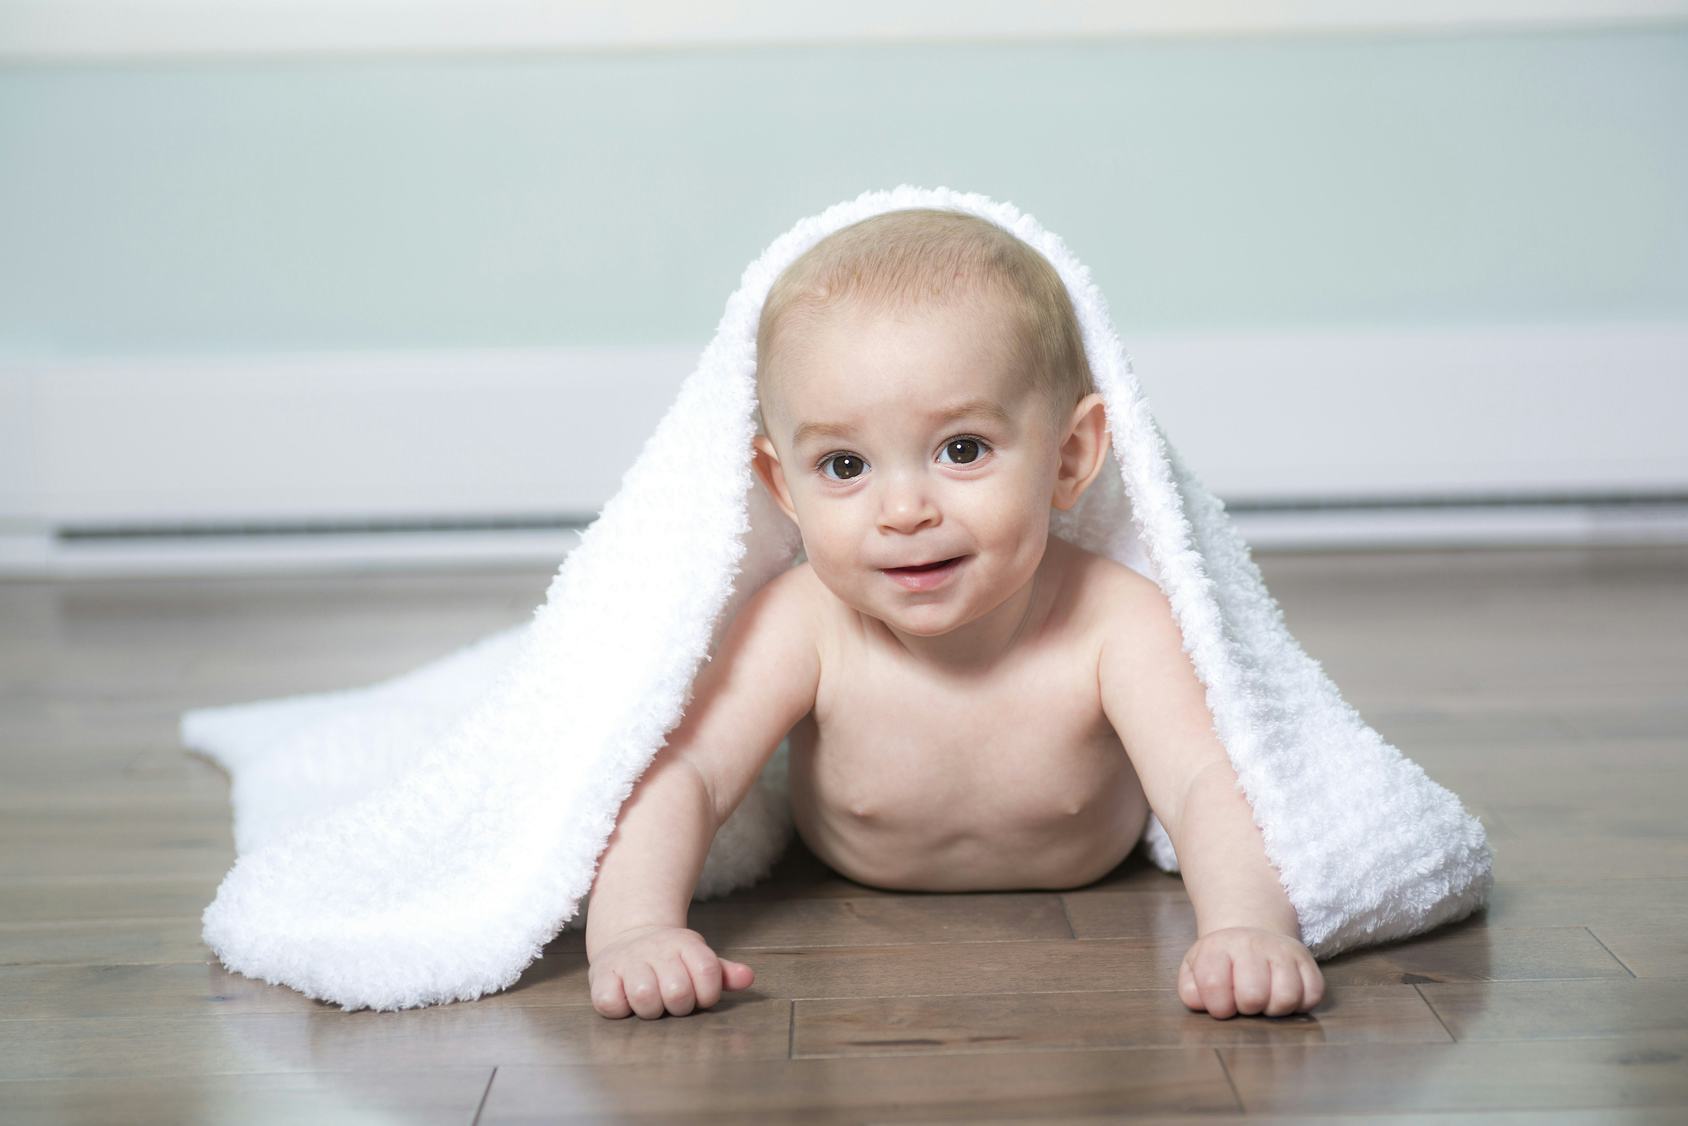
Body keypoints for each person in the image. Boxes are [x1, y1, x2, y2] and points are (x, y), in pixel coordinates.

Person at [584, 208, 1326, 1022]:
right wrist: (637, 931)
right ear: (783, 487)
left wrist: (1246, 926)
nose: (904, 509)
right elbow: (688, 770)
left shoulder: (1115, 622)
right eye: (844, 464)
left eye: (963, 449)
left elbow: (1204, 782)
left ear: (1070, 457)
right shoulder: (805, 623)